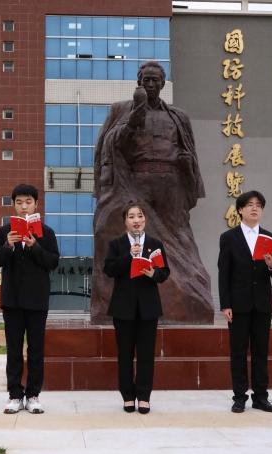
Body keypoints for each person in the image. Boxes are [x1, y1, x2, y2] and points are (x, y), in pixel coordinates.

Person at [91, 60, 214, 325]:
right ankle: (119, 298)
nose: (149, 84)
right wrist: (131, 124)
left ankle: (191, 290)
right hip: (136, 180)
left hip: (170, 181)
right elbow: (110, 144)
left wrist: (186, 165)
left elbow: (188, 148)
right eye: (145, 80)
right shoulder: (122, 109)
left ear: (162, 83)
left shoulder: (177, 116)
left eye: (154, 80)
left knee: (179, 235)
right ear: (139, 83)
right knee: (113, 229)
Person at [0, 184, 60, 414]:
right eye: (19, 202)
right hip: (12, 300)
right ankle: (14, 395)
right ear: (13, 205)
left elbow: (53, 262)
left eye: (28, 202)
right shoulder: (5, 231)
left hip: (37, 300)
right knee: (14, 349)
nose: (24, 206)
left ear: (36, 204)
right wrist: (8, 246)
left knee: (36, 349)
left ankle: (33, 395)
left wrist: (34, 246)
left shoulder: (46, 233)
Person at [217, 191, 272, 413]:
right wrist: (225, 304)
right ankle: (239, 396)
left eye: (258, 205)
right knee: (238, 351)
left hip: (262, 304)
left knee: (260, 351)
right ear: (240, 210)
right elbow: (224, 273)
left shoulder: (270, 238)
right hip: (238, 304)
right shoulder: (229, 237)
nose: (254, 208)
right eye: (249, 205)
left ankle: (261, 397)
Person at [104, 203, 170, 414]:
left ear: (145, 219)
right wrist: (129, 255)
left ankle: (143, 396)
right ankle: (127, 396)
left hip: (148, 308)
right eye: (131, 216)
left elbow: (164, 272)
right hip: (123, 308)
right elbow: (109, 269)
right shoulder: (117, 244)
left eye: (139, 216)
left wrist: (153, 273)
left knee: (146, 354)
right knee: (124, 354)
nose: (136, 220)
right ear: (125, 221)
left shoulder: (154, 244)